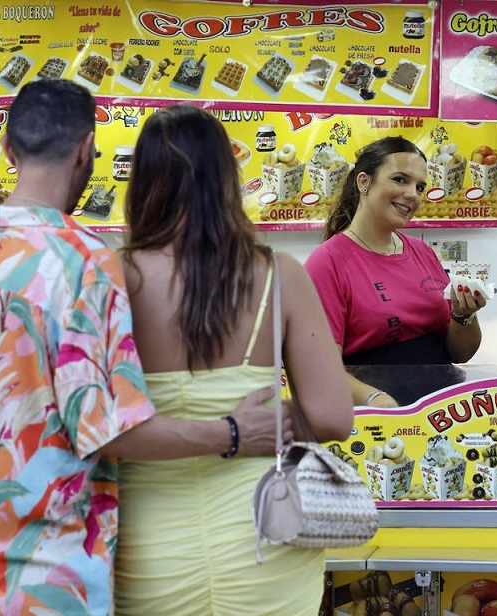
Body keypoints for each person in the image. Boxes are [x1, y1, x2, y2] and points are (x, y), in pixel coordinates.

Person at [0, 81, 285, 615]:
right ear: (86, 149)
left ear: (10, 151)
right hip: (52, 581)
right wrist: (233, 433)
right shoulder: (86, 259)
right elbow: (111, 427)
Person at [114, 105, 353, 615]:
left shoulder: (113, 278)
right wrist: (259, 424)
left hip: (147, 541)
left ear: (143, 182)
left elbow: (92, 422)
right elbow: (333, 417)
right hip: (268, 532)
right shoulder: (278, 273)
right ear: (228, 178)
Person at [305, 136, 487, 408]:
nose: (413, 194)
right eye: (400, 179)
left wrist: (464, 314)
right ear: (364, 182)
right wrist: (377, 400)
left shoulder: (423, 253)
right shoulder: (328, 261)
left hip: (441, 410)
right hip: (375, 416)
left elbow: (460, 354)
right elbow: (318, 368)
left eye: (420, 186)